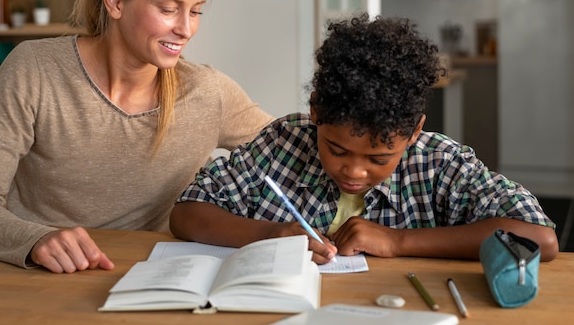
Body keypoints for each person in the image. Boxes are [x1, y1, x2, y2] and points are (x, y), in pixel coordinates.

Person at [0, 0, 272, 274]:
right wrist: (36, 239)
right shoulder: (34, 70)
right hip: (39, 283)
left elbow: (307, 148)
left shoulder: (208, 93)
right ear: (115, 1)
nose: (185, 28)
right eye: (167, 9)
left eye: (195, 11)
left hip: (148, 284)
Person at [170, 13, 559, 264]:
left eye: (379, 158)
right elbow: (187, 213)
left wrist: (399, 242)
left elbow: (540, 238)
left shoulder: (439, 164)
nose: (354, 170)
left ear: (414, 132)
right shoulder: (283, 143)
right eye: (336, 149)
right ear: (316, 114)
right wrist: (270, 234)